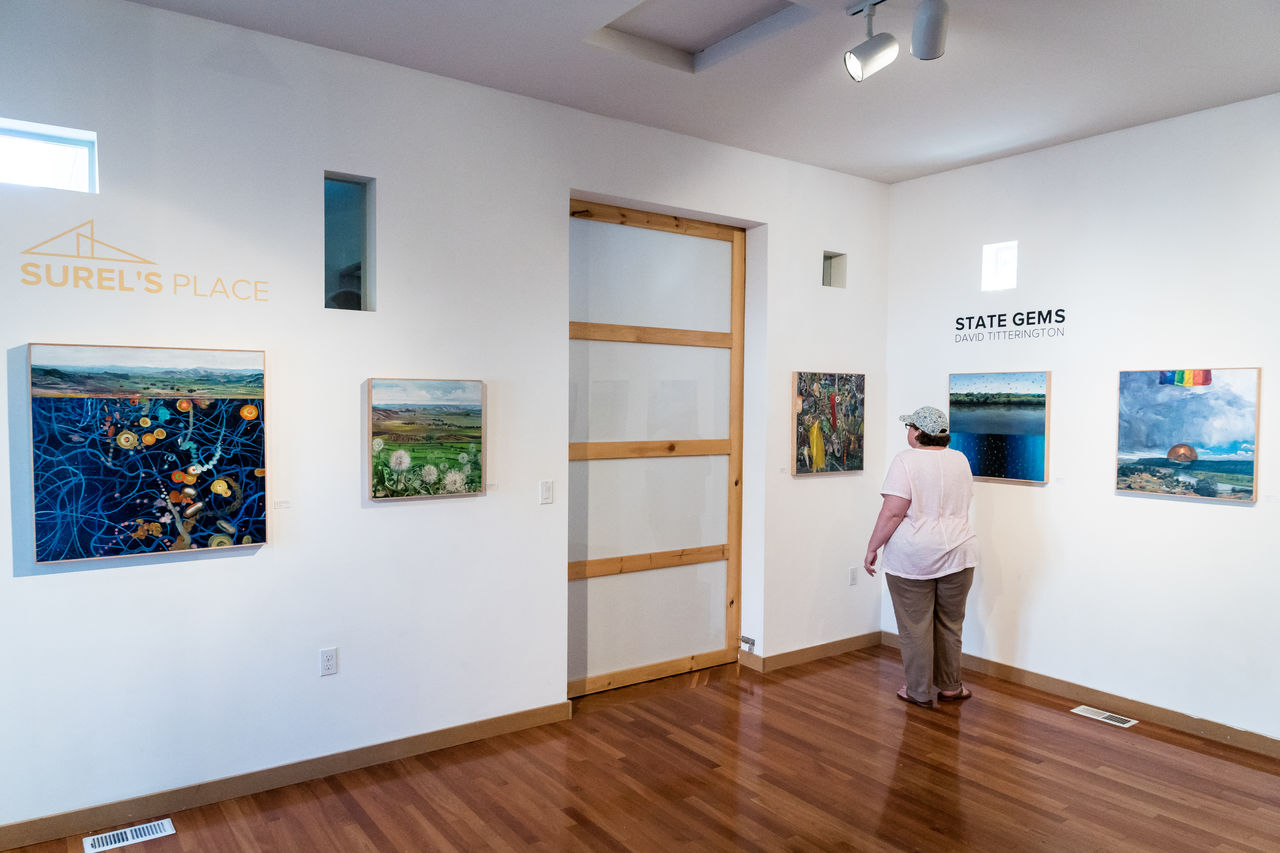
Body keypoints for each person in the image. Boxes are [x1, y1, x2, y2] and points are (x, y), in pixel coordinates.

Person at [864, 405, 979, 708]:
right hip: (960, 551)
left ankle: (918, 691)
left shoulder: (906, 460)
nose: (908, 432)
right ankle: (951, 687)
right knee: (950, 623)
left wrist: (873, 547)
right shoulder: (960, 459)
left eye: (909, 427)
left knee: (915, 627)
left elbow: (892, 513)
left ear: (917, 432)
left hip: (914, 556)